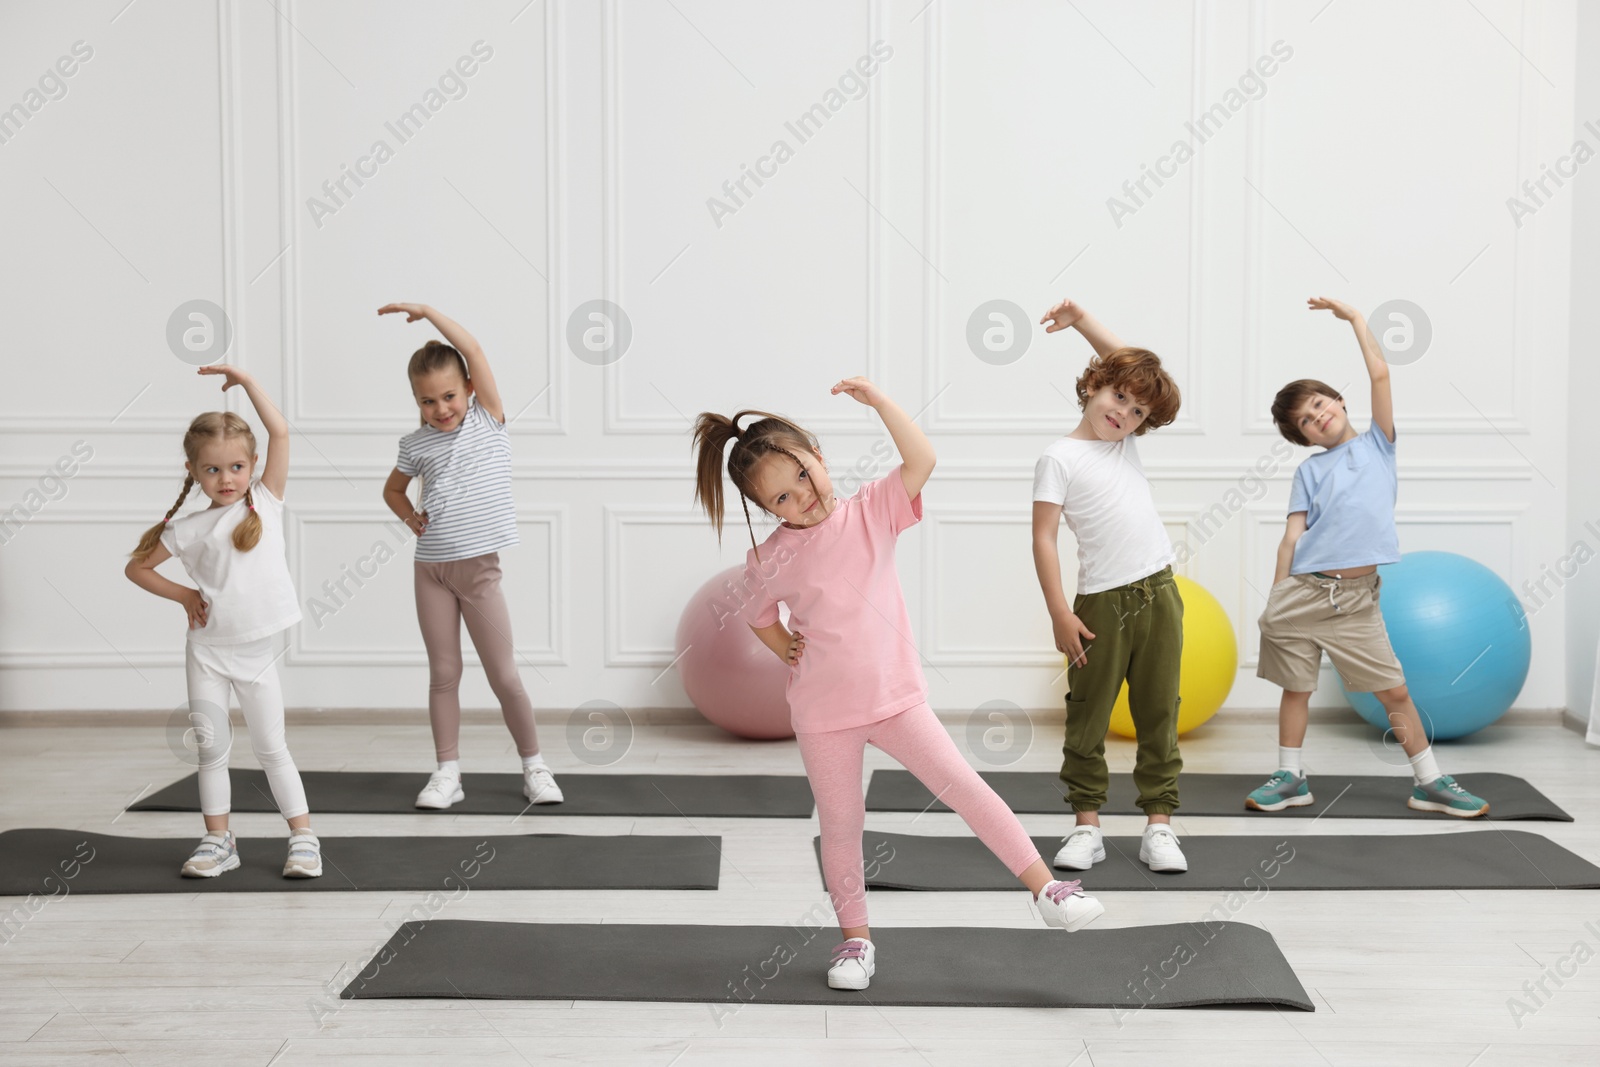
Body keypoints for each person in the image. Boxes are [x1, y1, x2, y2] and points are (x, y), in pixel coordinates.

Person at [690, 377, 1103, 993]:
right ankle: (855, 940)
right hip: (824, 715)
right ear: (767, 510)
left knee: (963, 786)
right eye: (781, 497)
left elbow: (923, 459)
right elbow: (755, 615)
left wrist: (881, 404)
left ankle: (1046, 889)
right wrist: (788, 649)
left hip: (895, 700)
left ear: (819, 459)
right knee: (841, 825)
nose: (801, 497)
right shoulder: (769, 558)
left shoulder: (872, 512)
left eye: (803, 476)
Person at [1249, 296, 1488, 817]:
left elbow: (1380, 375)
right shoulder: (1308, 473)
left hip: (1353, 600)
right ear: (1302, 438)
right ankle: (1291, 777)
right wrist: (1277, 595)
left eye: (1320, 405)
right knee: (1296, 688)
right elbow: (1291, 538)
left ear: (1338, 400)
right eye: (1307, 422)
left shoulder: (1379, 444)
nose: (1319, 417)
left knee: (1394, 693)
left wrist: (1355, 319)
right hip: (1302, 590)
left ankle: (1430, 781)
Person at [125, 365, 321, 878]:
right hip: (207, 652)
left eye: (236, 467)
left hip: (256, 655)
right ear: (193, 470)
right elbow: (137, 568)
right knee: (211, 750)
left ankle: (303, 837)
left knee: (271, 747)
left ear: (253, 465)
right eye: (213, 470)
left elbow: (279, 430)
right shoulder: (187, 528)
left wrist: (247, 381)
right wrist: (183, 594)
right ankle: (218, 841)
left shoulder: (265, 501)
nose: (227, 479)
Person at [378, 302, 562, 811]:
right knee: (443, 673)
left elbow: (474, 348)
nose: (441, 408)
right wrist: (411, 519)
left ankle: (534, 766)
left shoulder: (489, 420)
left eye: (449, 395)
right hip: (431, 572)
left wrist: (427, 312)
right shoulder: (415, 444)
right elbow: (393, 491)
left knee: (504, 675)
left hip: (479, 574)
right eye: (427, 400)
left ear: (471, 390)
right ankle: (447, 772)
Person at [1033, 297, 1188, 873]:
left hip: (1159, 593)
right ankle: (1086, 826)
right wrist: (1058, 613)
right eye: (1118, 397)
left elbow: (1128, 369)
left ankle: (1159, 825)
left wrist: (1085, 323)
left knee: (1158, 711)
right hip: (1099, 602)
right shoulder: (1059, 457)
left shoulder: (1122, 445)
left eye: (1138, 412)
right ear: (1094, 385)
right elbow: (1044, 539)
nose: (1124, 413)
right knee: (1088, 713)